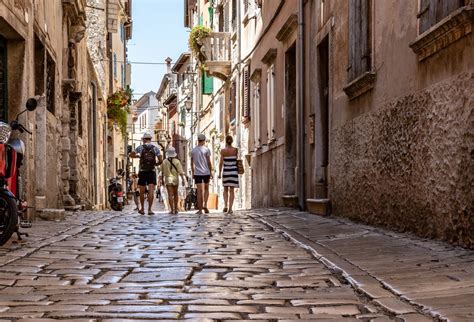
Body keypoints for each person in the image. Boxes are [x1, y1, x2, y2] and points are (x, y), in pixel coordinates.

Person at [128, 132, 162, 215]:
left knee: (142, 191)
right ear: (150, 139)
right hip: (152, 171)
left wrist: (138, 156)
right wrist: (156, 164)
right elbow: (161, 160)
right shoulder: (155, 148)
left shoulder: (140, 148)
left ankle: (142, 208)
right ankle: (150, 210)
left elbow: (131, 155)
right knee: (151, 191)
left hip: (143, 171)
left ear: (143, 139)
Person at [161, 146, 186, 214]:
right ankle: (176, 209)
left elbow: (162, 172)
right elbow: (180, 172)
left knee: (170, 194)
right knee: (175, 194)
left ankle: (171, 209)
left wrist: (162, 180)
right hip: (175, 179)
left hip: (168, 179)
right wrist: (183, 180)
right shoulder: (177, 161)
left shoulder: (164, 161)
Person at [191, 134, 213, 214]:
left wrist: (193, 173)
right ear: (204, 140)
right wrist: (211, 172)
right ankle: (205, 205)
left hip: (197, 173)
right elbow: (209, 162)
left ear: (198, 140)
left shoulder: (193, 150)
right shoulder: (206, 150)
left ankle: (200, 210)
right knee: (206, 189)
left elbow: (191, 163)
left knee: (199, 191)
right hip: (206, 172)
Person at [218, 135, 239, 214]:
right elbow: (236, 160)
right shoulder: (235, 150)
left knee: (225, 189)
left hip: (226, 171)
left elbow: (221, 163)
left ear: (226, 141)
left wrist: (220, 173)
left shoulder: (223, 151)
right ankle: (230, 209)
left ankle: (225, 205)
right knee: (232, 190)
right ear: (232, 141)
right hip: (233, 171)